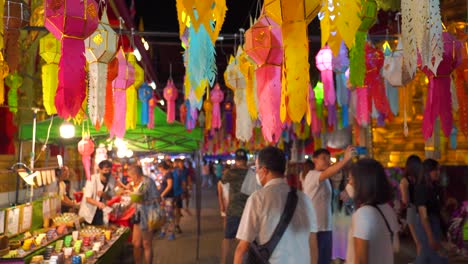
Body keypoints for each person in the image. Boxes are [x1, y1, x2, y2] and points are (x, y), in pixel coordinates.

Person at [234, 146, 318, 264]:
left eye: (256, 169)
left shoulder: (258, 199)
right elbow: (313, 243)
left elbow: (241, 249)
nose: (256, 173)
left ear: (264, 171)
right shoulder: (305, 199)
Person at [302, 147, 353, 264]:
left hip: (326, 227)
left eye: (328, 158)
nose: (327, 161)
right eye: (323, 158)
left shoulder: (324, 178)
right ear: (314, 160)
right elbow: (330, 172)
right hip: (316, 229)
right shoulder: (312, 175)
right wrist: (345, 159)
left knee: (324, 260)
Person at [345, 158, 399, 264]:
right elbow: (394, 248)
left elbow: (360, 260)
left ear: (364, 182)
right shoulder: (387, 209)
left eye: (352, 178)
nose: (350, 183)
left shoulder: (363, 214)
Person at [414, 158, 447, 264]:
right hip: (426, 225)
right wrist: (430, 236)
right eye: (435, 170)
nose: (438, 172)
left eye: (439, 170)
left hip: (434, 222)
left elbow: (436, 207)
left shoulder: (435, 186)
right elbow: (424, 216)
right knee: (433, 254)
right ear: (428, 171)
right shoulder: (421, 188)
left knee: (428, 255)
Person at [220, 149, 249, 264]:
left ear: (236, 160)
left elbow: (222, 181)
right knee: (244, 240)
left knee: (227, 238)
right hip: (247, 212)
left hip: (233, 210)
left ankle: (223, 262)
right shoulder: (252, 174)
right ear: (246, 160)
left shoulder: (230, 173)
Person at [126, 165, 159, 264]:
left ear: (135, 175)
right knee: (136, 243)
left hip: (148, 215)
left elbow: (136, 197)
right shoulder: (142, 182)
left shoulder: (145, 183)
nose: (130, 179)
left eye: (130, 177)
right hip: (140, 215)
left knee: (146, 243)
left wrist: (129, 192)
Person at [79, 160, 115, 225]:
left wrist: (104, 194)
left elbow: (110, 197)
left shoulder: (112, 179)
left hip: (100, 212)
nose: (108, 172)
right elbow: (88, 199)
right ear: (100, 170)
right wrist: (98, 204)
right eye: (105, 170)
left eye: (109, 170)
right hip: (88, 211)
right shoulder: (92, 179)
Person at [400, 155, 422, 255]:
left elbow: (405, 200)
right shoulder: (421, 179)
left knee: (418, 242)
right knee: (424, 240)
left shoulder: (404, 181)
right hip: (423, 210)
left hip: (412, 211)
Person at [158, 161, 176, 240]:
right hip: (163, 198)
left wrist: (162, 194)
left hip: (168, 198)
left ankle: (171, 233)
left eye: (159, 168)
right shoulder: (164, 174)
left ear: (162, 167)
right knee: (163, 215)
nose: (159, 169)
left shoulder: (169, 174)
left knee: (170, 215)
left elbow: (169, 186)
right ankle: (163, 231)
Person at [172, 159, 187, 234]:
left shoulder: (181, 172)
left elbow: (184, 183)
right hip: (172, 194)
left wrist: (183, 192)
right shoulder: (172, 171)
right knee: (174, 210)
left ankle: (176, 225)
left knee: (177, 210)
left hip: (177, 193)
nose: (182, 164)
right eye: (181, 163)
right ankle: (175, 225)